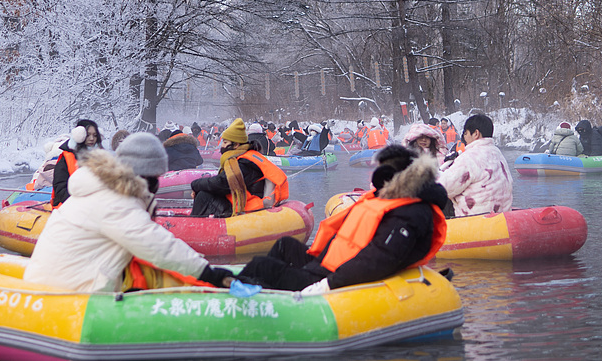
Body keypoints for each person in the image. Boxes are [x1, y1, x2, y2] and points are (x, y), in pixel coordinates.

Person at [22, 132, 232, 292]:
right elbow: (156, 245)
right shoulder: (115, 201)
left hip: (60, 277)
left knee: (144, 271)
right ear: (145, 174)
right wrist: (207, 273)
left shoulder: (100, 188)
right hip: (68, 291)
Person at [235, 145, 447, 292]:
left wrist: (327, 284)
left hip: (333, 277)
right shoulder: (383, 200)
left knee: (263, 266)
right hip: (324, 264)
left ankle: (236, 300)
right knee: (285, 246)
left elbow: (378, 259)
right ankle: (260, 290)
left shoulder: (411, 213)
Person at [190, 118, 288, 218]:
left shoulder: (244, 163)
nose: (222, 146)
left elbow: (223, 184)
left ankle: (193, 226)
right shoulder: (248, 156)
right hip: (251, 200)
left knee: (203, 196)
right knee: (206, 192)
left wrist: (196, 185)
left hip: (251, 205)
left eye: (225, 142)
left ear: (236, 145)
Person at [438, 113, 513, 217]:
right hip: (501, 217)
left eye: (466, 134)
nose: (464, 137)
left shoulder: (469, 157)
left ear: (476, 134)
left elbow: (443, 187)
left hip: (476, 219)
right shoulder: (498, 154)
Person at [52, 119, 103, 208]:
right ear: (79, 135)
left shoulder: (102, 157)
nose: (92, 139)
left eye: (94, 135)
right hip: (70, 205)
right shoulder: (66, 159)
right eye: (88, 135)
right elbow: (60, 189)